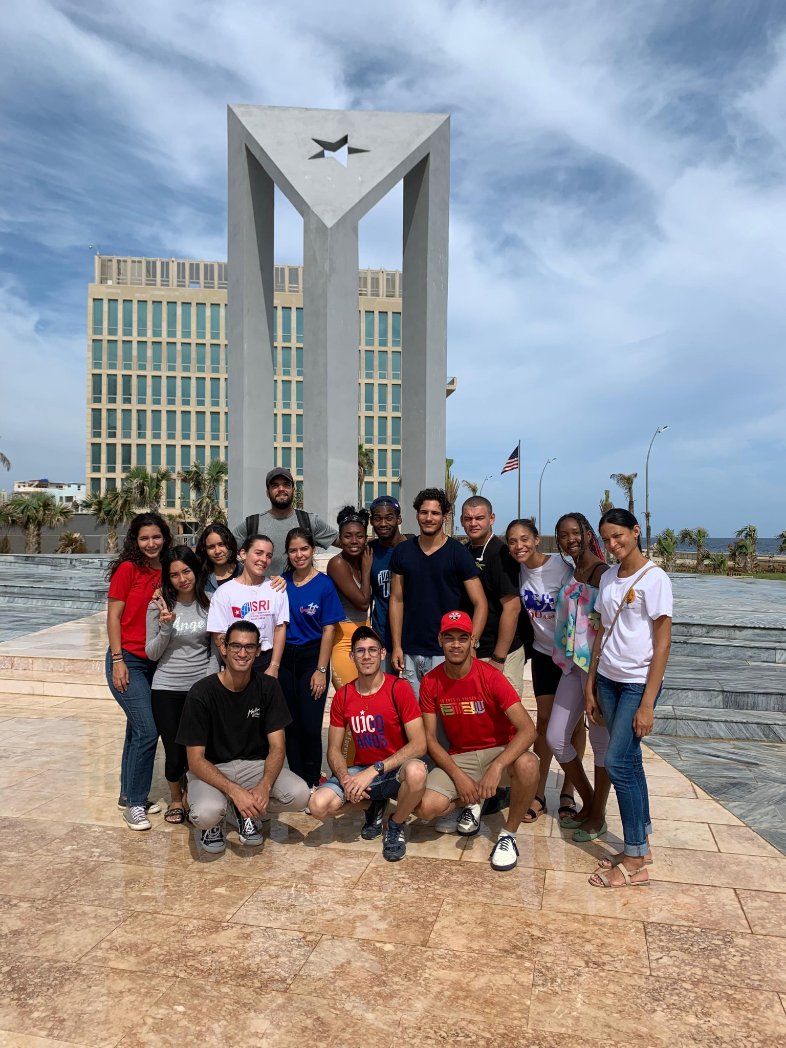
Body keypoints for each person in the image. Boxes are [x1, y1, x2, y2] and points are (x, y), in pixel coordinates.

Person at [586, 509, 673, 888]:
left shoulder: (655, 579)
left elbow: (663, 642)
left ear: (636, 532)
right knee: (631, 763)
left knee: (619, 762)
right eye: (606, 539)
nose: (613, 544)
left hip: (637, 683)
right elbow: (601, 633)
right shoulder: (607, 577)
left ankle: (635, 860)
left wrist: (648, 702)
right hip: (607, 678)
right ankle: (640, 844)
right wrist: (590, 685)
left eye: (619, 536)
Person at [414, 612, 540, 872]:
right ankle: (470, 800)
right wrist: (458, 775)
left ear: (473, 641)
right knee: (426, 809)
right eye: (449, 638)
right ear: (440, 640)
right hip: (462, 755)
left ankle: (508, 836)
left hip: (499, 752)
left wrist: (497, 766)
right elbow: (429, 739)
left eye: (463, 638)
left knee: (528, 764)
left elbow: (528, 730)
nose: (456, 644)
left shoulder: (491, 676)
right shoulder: (430, 681)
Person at [176, 619, 311, 854]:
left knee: (299, 795)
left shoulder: (269, 687)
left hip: (253, 767)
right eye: (236, 646)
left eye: (249, 647)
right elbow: (195, 759)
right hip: (212, 770)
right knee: (206, 813)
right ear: (224, 648)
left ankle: (240, 811)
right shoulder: (201, 692)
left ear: (258, 651)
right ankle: (216, 819)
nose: (242, 653)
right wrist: (235, 791)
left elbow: (278, 747)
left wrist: (264, 785)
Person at [308, 626, 428, 861]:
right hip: (362, 771)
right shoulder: (343, 696)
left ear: (383, 654)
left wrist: (375, 770)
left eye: (372, 650)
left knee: (416, 772)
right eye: (360, 651)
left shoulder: (398, 688)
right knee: (317, 805)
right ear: (351, 656)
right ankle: (372, 806)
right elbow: (333, 749)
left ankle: (394, 825)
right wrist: (345, 779)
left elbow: (419, 744)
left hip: (394, 771)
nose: (367, 656)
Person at [506, 518, 582, 824]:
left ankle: (568, 791)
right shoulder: (517, 569)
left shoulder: (562, 570)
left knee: (575, 725)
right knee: (545, 721)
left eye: (524, 539)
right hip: (542, 655)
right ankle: (537, 793)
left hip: (571, 657)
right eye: (512, 541)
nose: (519, 546)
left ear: (537, 539)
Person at [105, 511, 172, 831]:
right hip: (128, 660)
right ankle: (135, 803)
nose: (151, 543)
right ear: (135, 540)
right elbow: (113, 618)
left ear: (165, 537)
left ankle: (127, 794)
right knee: (147, 730)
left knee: (136, 729)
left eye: (156, 537)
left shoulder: (168, 569)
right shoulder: (127, 569)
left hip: (154, 661)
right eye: (144, 538)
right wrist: (117, 660)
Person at [546, 513, 611, 843]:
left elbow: (608, 627)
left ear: (587, 534)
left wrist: (597, 681)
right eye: (563, 535)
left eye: (575, 532)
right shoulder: (573, 571)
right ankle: (589, 803)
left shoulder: (602, 575)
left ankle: (597, 815)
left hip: (597, 672)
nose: (570, 539)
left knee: (601, 746)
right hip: (572, 667)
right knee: (556, 736)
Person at [389, 488, 487, 696]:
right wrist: (397, 646)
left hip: (447, 651)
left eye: (435, 513)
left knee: (445, 720)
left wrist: (471, 643)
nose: (428, 518)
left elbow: (480, 603)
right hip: (410, 650)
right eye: (424, 512)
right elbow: (396, 600)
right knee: (414, 719)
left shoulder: (457, 553)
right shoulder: (403, 552)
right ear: (417, 514)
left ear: (444, 516)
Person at [145, 545, 217, 824]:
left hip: (199, 687)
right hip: (166, 688)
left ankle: (196, 794)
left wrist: (207, 684)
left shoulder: (210, 602)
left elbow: (214, 650)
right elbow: (151, 653)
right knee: (173, 749)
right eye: (174, 574)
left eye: (186, 571)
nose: (182, 578)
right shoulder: (159, 605)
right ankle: (176, 798)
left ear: (196, 570)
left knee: (199, 748)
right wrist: (165, 626)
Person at [280, 527, 345, 788]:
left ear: (313, 550)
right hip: (286, 659)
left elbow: (329, 629)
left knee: (310, 725)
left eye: (304, 549)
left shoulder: (324, 585)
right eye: (293, 550)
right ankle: (297, 781)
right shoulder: (280, 583)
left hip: (312, 658)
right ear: (288, 553)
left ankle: (312, 779)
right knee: (291, 725)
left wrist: (321, 669)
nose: (299, 555)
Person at [459, 496, 532, 694]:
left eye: (479, 518)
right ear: (461, 521)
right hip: (473, 651)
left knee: (506, 719)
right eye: (468, 518)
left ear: (491, 519)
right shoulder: (464, 552)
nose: (473, 523)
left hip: (500, 653)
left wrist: (498, 658)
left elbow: (512, 607)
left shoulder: (501, 554)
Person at [206, 534, 288, 676]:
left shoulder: (276, 589)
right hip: (235, 661)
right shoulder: (224, 592)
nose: (264, 559)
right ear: (243, 554)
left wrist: (274, 666)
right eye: (258, 553)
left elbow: (280, 629)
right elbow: (218, 633)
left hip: (266, 661)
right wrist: (230, 664)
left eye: (269, 556)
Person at [232, 467, 338, 577]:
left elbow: (347, 542)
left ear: (293, 490)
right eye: (275, 485)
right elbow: (225, 551)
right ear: (267, 493)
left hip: (300, 592)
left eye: (286, 484)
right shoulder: (252, 524)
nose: (281, 489)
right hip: (262, 593)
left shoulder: (309, 521)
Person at [326, 506, 372, 690]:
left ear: (366, 538)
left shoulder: (363, 559)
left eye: (359, 536)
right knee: (350, 702)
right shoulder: (338, 563)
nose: (354, 541)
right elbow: (362, 603)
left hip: (366, 635)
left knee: (366, 704)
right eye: (347, 536)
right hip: (344, 641)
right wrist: (367, 570)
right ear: (340, 538)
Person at [368, 495, 408, 674]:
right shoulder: (369, 551)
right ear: (371, 521)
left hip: (412, 637)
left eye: (389, 517)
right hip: (382, 635)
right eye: (377, 518)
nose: (383, 523)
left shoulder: (413, 549)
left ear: (399, 519)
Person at [195, 523, 242, 595]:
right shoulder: (199, 578)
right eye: (211, 547)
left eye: (221, 544)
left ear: (230, 544)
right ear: (204, 550)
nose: (217, 551)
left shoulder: (244, 573)